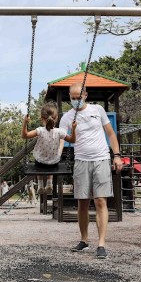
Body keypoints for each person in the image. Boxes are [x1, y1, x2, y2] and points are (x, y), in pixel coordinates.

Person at [59, 82, 123, 259]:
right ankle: (84, 240)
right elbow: (60, 138)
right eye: (72, 98)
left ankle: (101, 244)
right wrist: (56, 156)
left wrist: (116, 155)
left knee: (101, 200)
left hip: (101, 158)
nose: (75, 101)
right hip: (81, 161)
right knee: (82, 202)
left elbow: (111, 134)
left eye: (78, 97)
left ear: (85, 95)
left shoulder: (98, 110)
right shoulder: (67, 117)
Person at [21, 102, 77, 195]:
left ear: (42, 118)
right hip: (53, 163)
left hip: (40, 163)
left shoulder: (39, 131)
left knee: (39, 158)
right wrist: (73, 129)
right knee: (53, 158)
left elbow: (24, 135)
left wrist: (25, 123)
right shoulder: (59, 132)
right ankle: (49, 184)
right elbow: (72, 140)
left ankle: (40, 185)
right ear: (56, 118)